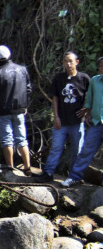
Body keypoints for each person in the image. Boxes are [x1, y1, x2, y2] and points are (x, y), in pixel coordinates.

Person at [36, 52, 90, 183]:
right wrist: (56, 117)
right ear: (63, 63)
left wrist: (87, 110)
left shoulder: (84, 78)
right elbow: (55, 98)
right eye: (66, 61)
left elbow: (91, 96)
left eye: (71, 61)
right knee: (56, 148)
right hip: (61, 121)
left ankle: (75, 176)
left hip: (77, 122)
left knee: (77, 150)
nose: (68, 64)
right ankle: (48, 173)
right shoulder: (59, 78)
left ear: (77, 62)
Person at [0, 45, 32, 176]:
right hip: (19, 110)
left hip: (3, 111)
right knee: (22, 139)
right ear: (10, 55)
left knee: (7, 140)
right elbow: (28, 89)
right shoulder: (22, 70)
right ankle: (27, 167)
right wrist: (25, 105)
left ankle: (10, 168)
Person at [61, 57, 103, 187]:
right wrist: (87, 112)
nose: (100, 68)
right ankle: (75, 177)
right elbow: (89, 99)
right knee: (85, 151)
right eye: (100, 66)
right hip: (97, 123)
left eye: (102, 66)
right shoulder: (95, 80)